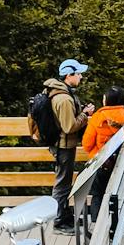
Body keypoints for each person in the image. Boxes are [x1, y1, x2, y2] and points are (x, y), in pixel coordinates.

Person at [44, 59, 94, 235]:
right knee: (62, 184)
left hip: (63, 145)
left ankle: (64, 216)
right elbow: (69, 126)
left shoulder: (61, 93)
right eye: (78, 73)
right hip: (63, 146)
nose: (80, 77)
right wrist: (85, 115)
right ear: (68, 75)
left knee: (64, 182)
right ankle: (59, 222)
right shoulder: (64, 98)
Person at [79, 86, 124, 166]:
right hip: (122, 161)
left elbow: (87, 145)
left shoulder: (98, 116)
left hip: (101, 161)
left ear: (106, 101)